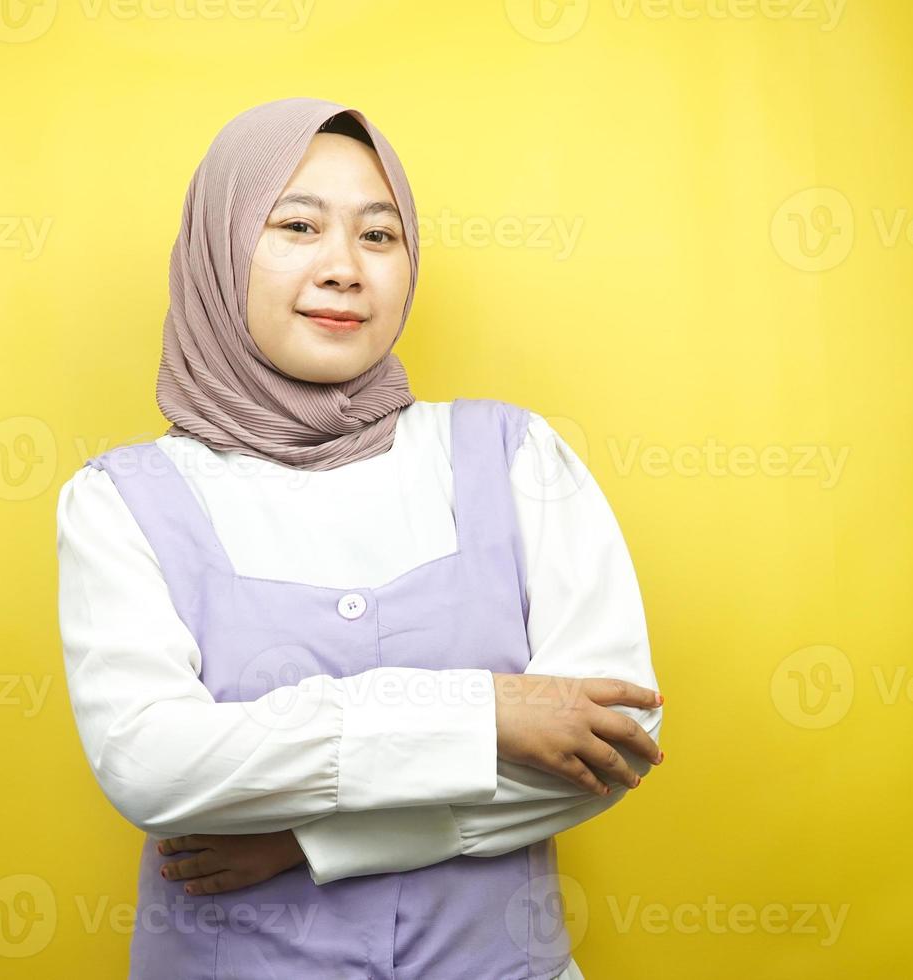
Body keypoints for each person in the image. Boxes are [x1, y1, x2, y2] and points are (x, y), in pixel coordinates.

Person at [57, 96, 665, 980]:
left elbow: (613, 737)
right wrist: (487, 712)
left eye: (380, 236)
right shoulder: (120, 501)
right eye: (297, 224)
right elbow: (154, 765)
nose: (345, 268)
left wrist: (317, 840)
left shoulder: (516, 455)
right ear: (219, 251)